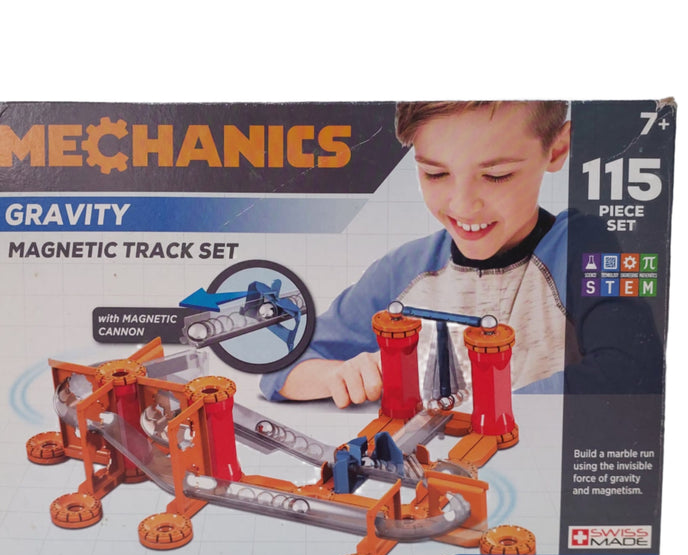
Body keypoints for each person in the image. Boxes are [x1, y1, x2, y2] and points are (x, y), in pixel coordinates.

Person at [260, 101, 661, 406]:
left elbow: (636, 371)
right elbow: (279, 364)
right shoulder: (401, 270)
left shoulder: (585, 249)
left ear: (556, 150)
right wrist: (336, 375)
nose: (464, 205)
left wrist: (485, 410)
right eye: (435, 173)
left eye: (497, 175)